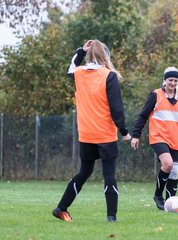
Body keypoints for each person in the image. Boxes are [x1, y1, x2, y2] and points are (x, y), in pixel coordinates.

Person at [52, 39, 131, 223]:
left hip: (86, 134)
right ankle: (111, 217)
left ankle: (61, 208)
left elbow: (71, 67)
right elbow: (116, 108)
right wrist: (124, 131)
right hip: (105, 135)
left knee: (84, 172)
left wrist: (80, 50)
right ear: (106, 56)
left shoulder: (79, 73)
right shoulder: (108, 75)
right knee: (109, 174)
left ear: (89, 55)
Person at [131, 66, 178, 210]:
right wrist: (136, 135)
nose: (172, 83)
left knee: (174, 173)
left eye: (175, 80)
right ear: (165, 80)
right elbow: (143, 115)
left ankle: (171, 204)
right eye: (170, 80)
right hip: (158, 137)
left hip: (176, 138)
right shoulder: (156, 95)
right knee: (168, 164)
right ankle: (158, 195)